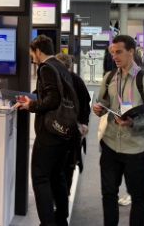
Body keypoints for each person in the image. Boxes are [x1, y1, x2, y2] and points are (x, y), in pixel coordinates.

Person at [93, 35, 144, 226]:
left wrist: (134, 122)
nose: (114, 56)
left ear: (131, 51)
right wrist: (98, 108)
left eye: (119, 52)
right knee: (108, 194)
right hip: (110, 144)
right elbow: (103, 102)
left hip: (136, 148)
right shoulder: (109, 77)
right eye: (112, 52)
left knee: (138, 196)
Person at [17, 35, 78, 226]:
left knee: (40, 177)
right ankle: (61, 218)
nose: (32, 57)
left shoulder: (46, 68)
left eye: (32, 53)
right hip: (64, 131)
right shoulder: (60, 66)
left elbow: (52, 99)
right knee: (57, 175)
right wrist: (34, 98)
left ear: (38, 51)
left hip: (50, 133)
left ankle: (47, 222)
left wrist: (31, 105)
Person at [55, 53, 92, 193]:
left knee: (64, 164)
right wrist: (84, 123)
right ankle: (64, 194)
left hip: (64, 130)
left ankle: (61, 195)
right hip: (71, 130)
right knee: (68, 164)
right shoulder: (76, 80)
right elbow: (86, 104)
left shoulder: (72, 80)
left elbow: (85, 104)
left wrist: (83, 123)